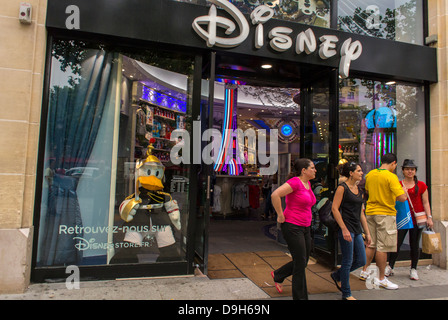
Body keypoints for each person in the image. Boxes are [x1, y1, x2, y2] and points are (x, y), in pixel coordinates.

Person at [270, 158, 317, 300]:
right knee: (300, 263)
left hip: (305, 227)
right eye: (313, 168)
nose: (315, 170)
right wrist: (280, 215)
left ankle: (279, 274)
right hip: (292, 226)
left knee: (303, 260)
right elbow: (275, 195)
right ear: (304, 171)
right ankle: (300, 297)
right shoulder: (295, 182)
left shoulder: (307, 183)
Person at [359, 153, 407, 290]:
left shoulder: (370, 175)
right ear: (393, 163)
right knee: (383, 246)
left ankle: (364, 270)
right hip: (385, 213)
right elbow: (402, 197)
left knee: (371, 243)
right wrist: (403, 191)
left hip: (371, 212)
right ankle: (381, 278)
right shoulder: (391, 177)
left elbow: (367, 190)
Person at [387, 159, 433, 280]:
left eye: (412, 169)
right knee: (397, 243)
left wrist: (429, 217)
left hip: (418, 218)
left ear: (415, 171)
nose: (410, 171)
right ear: (403, 170)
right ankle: (390, 266)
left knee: (414, 244)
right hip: (403, 218)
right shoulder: (398, 184)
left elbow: (426, 202)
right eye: (407, 169)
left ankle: (414, 268)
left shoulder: (421, 185)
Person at [330, 161, 371, 300]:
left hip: (357, 229)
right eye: (359, 171)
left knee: (361, 260)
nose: (361, 173)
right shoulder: (342, 188)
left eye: (361, 171)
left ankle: (337, 275)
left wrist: (368, 233)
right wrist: (343, 228)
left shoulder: (360, 191)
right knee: (348, 260)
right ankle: (346, 293)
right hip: (346, 228)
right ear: (351, 173)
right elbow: (334, 209)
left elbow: (361, 214)